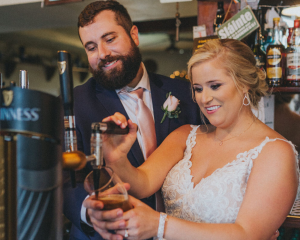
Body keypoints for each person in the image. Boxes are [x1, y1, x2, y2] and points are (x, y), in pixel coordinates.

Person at [84, 39, 299, 240]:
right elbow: (143, 183)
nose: (204, 99)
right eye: (198, 88)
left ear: (244, 84)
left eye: (215, 86)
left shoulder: (275, 152)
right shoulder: (185, 135)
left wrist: (160, 225)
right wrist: (116, 157)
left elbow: (248, 234)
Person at [62, 1, 201, 240]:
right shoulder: (73, 103)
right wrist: (88, 210)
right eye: (91, 47)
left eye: (110, 39)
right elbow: (60, 178)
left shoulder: (186, 93)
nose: (102, 54)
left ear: (134, 35)